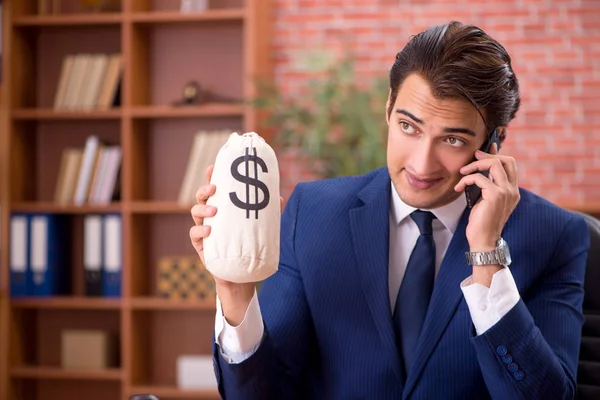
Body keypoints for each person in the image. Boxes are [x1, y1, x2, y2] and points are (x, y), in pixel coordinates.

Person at [189, 21, 589, 399]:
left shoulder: (553, 236)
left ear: (493, 145)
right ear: (388, 109)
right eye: (408, 127)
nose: (421, 164)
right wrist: (235, 292)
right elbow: (263, 393)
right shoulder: (312, 214)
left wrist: (487, 256)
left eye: (451, 139)